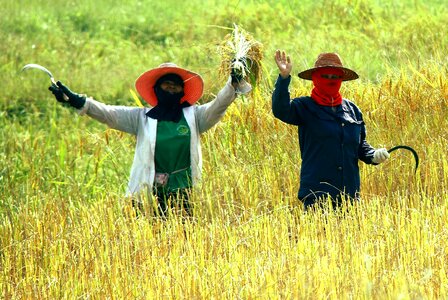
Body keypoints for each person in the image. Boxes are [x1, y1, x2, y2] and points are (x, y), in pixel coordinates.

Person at [49, 62, 251, 217]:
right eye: (167, 84)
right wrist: (78, 101)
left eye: (176, 86)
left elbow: (218, 106)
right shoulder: (141, 118)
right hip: (148, 193)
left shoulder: (194, 117)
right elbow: (108, 114)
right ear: (156, 89)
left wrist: (232, 82)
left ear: (183, 92)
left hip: (185, 191)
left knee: (184, 241)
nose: (171, 89)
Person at [272, 50, 389, 209]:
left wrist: (373, 155)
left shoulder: (352, 110)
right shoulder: (304, 107)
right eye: (325, 76)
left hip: (349, 197)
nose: (330, 80)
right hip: (317, 198)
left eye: (335, 77)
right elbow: (281, 110)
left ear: (341, 80)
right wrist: (284, 78)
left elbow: (360, 145)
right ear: (315, 79)